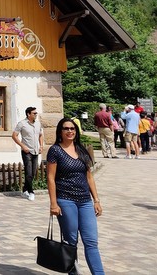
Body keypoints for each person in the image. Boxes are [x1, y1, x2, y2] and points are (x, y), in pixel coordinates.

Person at [47, 118, 105, 275]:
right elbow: (51, 178)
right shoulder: (55, 150)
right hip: (66, 200)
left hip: (85, 201)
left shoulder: (81, 150)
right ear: (60, 131)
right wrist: (53, 203)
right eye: (66, 128)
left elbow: (89, 177)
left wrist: (96, 200)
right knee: (71, 243)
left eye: (72, 128)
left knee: (91, 242)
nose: (69, 131)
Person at [11, 106, 43, 201]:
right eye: (34, 113)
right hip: (26, 152)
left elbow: (40, 135)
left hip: (36, 151)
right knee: (28, 172)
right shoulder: (22, 124)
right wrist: (22, 146)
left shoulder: (38, 124)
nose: (36, 115)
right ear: (28, 114)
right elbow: (14, 136)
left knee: (32, 173)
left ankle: (25, 190)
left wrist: (41, 146)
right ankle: (31, 192)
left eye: (36, 113)